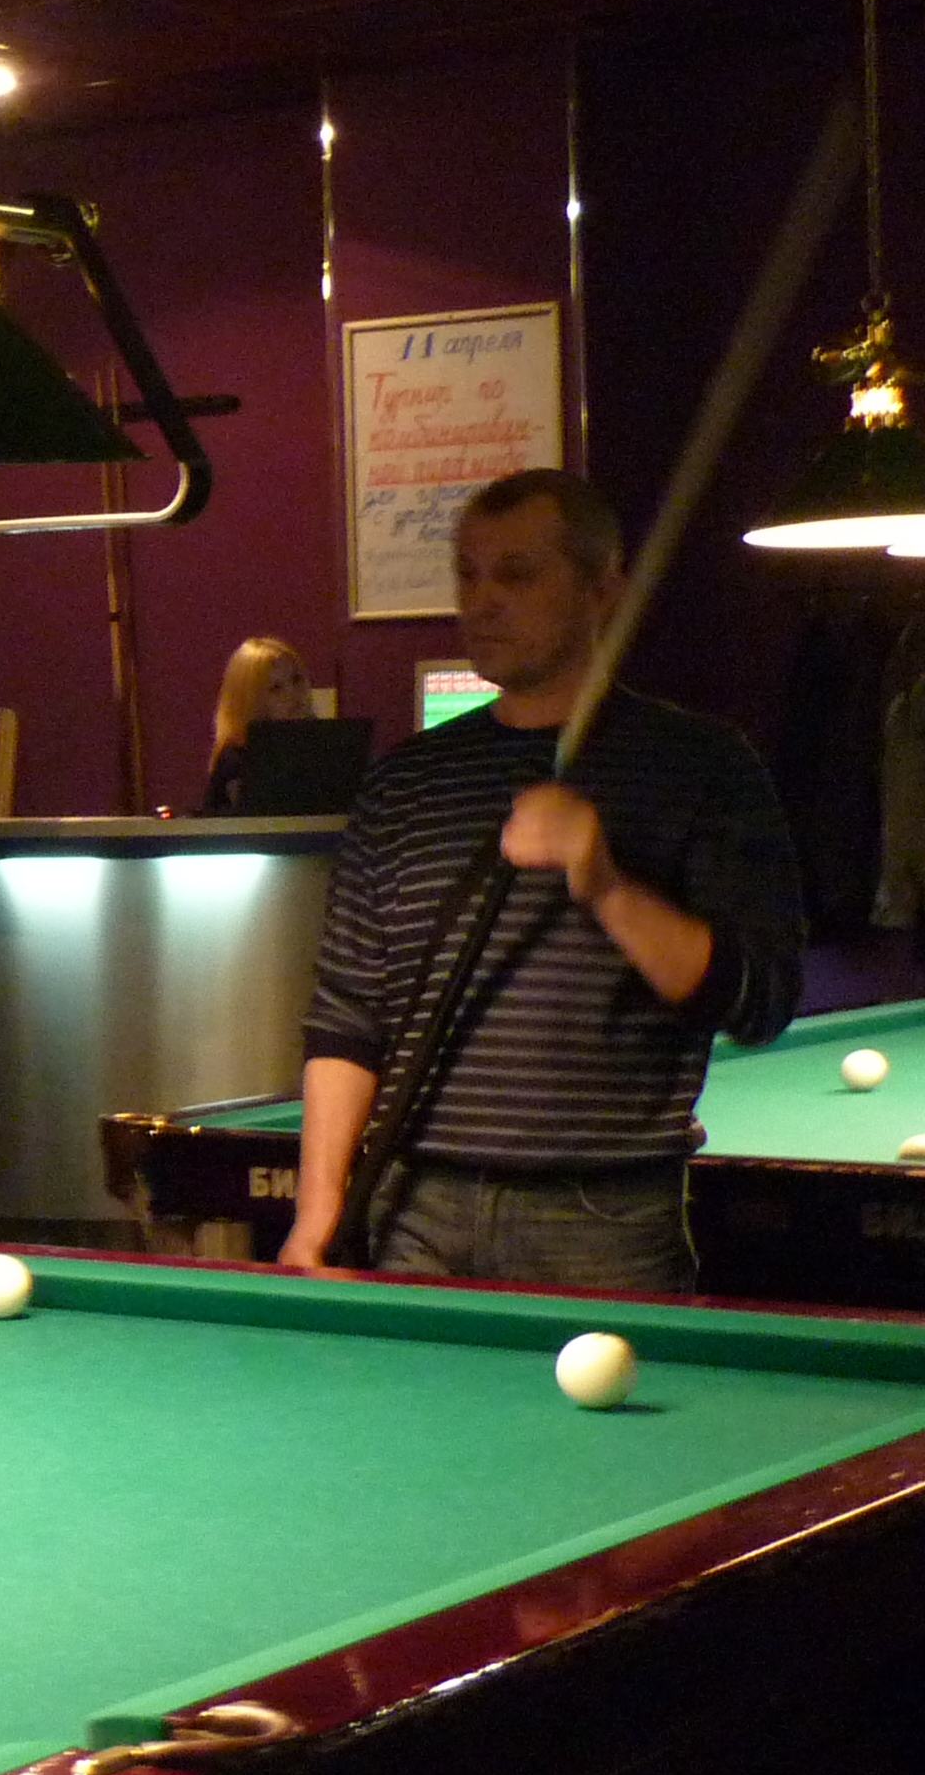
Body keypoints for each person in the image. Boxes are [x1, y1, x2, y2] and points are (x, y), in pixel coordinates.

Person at [277, 470, 801, 1290]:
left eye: (517, 575)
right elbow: (347, 1020)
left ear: (602, 590)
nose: (482, 601)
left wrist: (608, 888)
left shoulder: (703, 768)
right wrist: (317, 1213)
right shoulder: (404, 784)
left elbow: (759, 1001)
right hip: (414, 1208)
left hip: (601, 1220)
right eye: (469, 574)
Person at [197, 636, 313, 815]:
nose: (292, 693)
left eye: (296, 680)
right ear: (249, 700)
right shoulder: (237, 759)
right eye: (275, 688)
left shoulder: (322, 746)